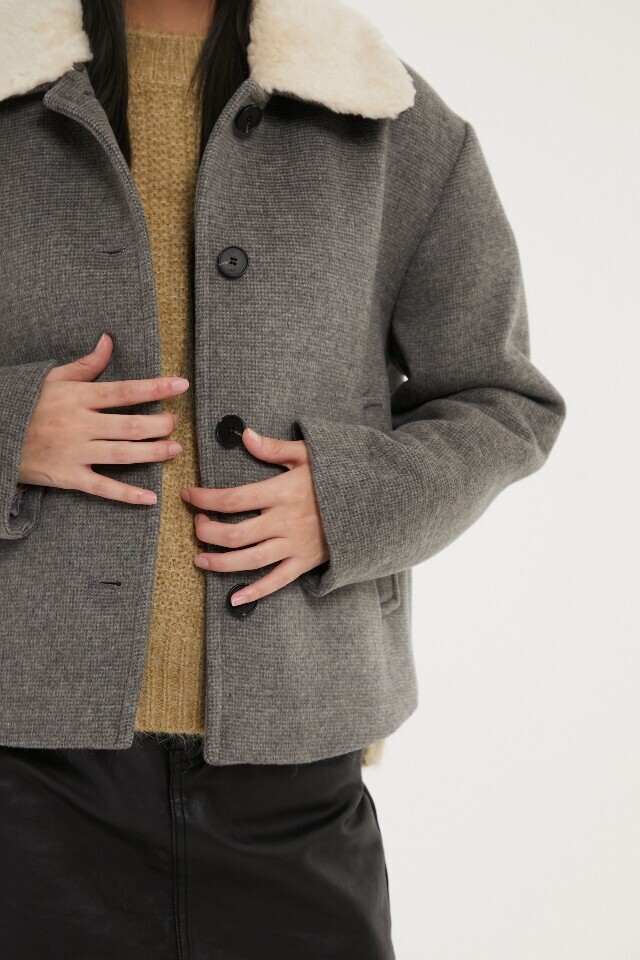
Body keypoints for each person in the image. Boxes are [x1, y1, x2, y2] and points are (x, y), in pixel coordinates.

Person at [0, 0, 567, 956]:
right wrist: (10, 431)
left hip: (297, 764)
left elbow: (502, 400)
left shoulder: (385, 116)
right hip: (22, 768)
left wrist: (346, 503)